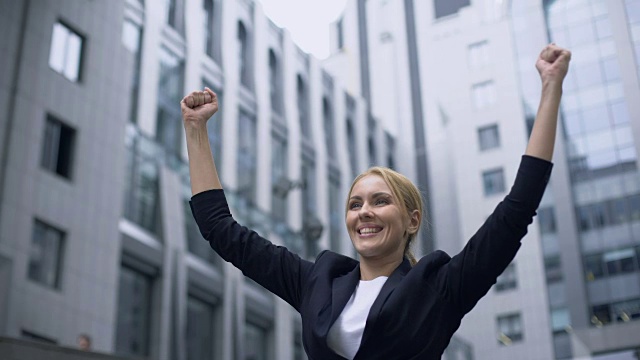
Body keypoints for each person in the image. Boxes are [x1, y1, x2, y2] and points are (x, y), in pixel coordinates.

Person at [182, 44, 571, 359]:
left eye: (380, 201)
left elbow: (517, 209)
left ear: (412, 220)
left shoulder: (440, 287)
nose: (364, 212)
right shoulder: (318, 281)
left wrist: (550, 86)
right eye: (355, 204)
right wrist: (196, 129)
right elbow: (221, 230)